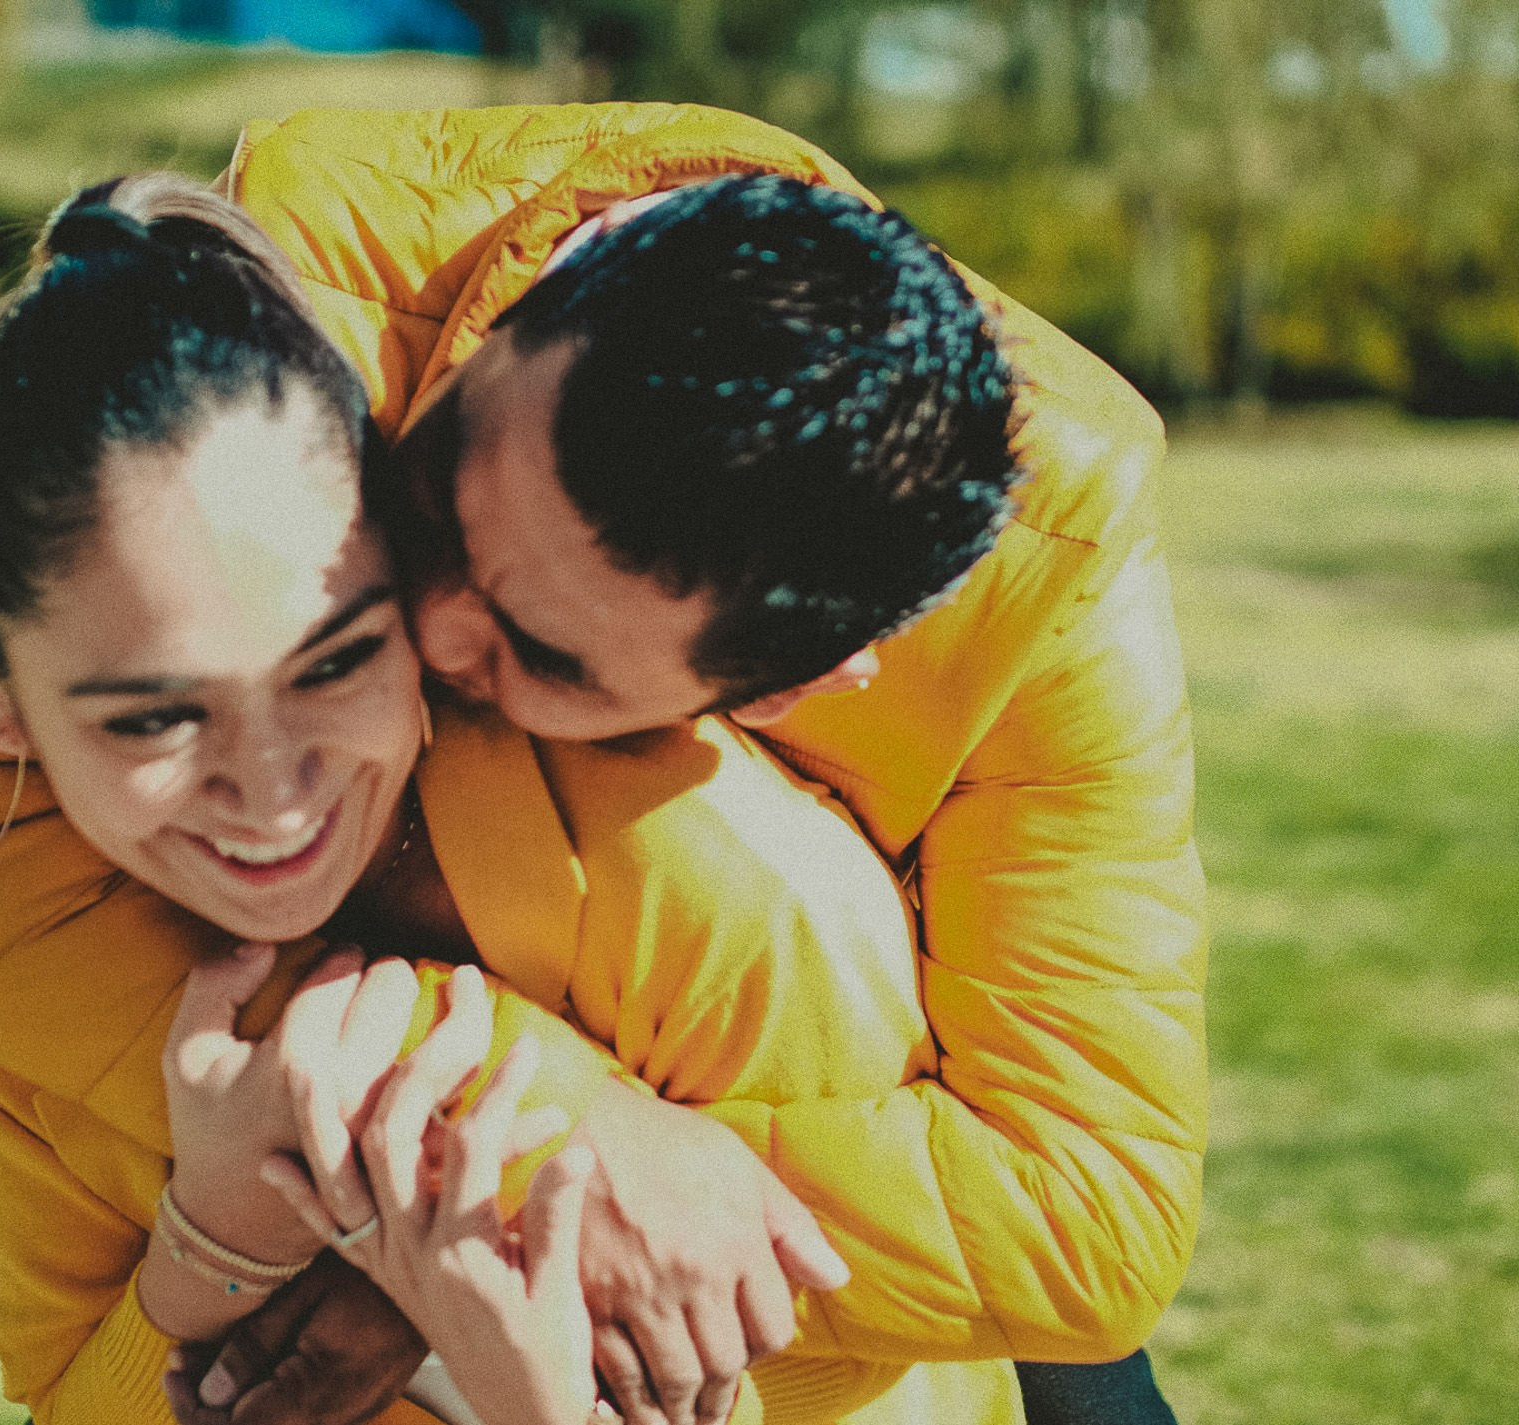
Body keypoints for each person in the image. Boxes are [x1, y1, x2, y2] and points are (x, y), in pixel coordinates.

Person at [0, 169, 1027, 1425]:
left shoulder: (721, 907)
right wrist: (218, 1238)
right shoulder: (19, 916)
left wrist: (517, 1356)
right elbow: (69, 1398)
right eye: (153, 715)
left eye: (337, 660)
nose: (268, 793)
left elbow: (860, 1380)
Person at [214, 106, 1205, 1425]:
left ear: (794, 692)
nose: (439, 624)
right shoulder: (286, 269)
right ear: (570, 270)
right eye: (441, 477)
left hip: (833, 1114)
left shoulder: (1061, 555)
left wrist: (513, 1210)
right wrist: (526, 1144)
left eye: (549, 655)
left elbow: (1085, 1212)